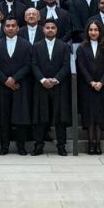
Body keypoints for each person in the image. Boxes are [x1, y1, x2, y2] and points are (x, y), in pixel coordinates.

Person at [0, 18, 33, 155]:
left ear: (18, 28)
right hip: (2, 86)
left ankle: (21, 146)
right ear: (4, 28)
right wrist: (5, 80)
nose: (10, 28)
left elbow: (28, 64)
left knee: (20, 118)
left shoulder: (26, 45)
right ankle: (4, 146)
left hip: (20, 85)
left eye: (13, 26)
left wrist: (14, 78)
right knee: (4, 118)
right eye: (7, 26)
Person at [30, 19, 71, 156]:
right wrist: (42, 79)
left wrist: (56, 79)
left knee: (60, 118)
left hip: (58, 86)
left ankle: (61, 146)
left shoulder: (64, 46)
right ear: (43, 30)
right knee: (40, 117)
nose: (50, 30)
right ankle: (38, 145)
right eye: (47, 27)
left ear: (56, 30)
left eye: (53, 27)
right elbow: (34, 65)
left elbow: (66, 65)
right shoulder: (36, 46)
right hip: (41, 86)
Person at [76, 21, 104, 155]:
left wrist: (101, 82)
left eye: (96, 30)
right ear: (87, 32)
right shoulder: (82, 47)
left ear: (100, 32)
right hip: (88, 87)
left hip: (101, 87)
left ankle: (98, 143)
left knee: (99, 117)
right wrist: (91, 82)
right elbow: (81, 66)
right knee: (89, 116)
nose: (93, 32)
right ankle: (91, 144)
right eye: (91, 30)